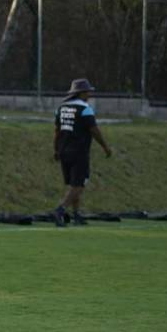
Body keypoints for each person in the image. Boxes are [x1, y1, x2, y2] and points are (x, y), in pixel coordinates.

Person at [52, 77, 112, 226]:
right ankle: (60, 210)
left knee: (73, 184)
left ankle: (76, 215)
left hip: (64, 150)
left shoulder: (61, 108)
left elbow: (57, 131)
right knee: (79, 185)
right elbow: (94, 130)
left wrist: (56, 149)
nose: (89, 94)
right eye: (87, 92)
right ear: (81, 93)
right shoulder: (85, 109)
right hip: (79, 151)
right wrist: (105, 146)